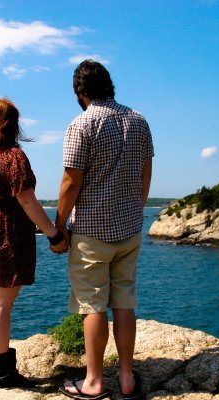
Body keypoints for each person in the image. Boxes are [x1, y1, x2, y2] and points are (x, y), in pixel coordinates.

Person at [55, 60, 153, 400]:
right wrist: (136, 211)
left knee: (92, 305)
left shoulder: (81, 124)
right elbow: (145, 172)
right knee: (124, 300)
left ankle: (94, 381)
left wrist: (58, 226)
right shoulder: (139, 121)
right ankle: (126, 378)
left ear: (80, 92)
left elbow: (71, 181)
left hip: (91, 231)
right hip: (129, 228)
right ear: (110, 85)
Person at [0, 98, 67, 388]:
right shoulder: (14, 157)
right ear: (14, 124)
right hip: (6, 231)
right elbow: (26, 199)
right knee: (0, 305)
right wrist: (53, 233)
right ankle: (3, 372)